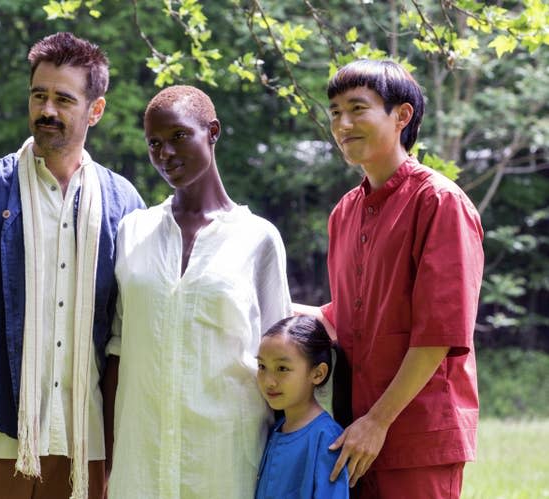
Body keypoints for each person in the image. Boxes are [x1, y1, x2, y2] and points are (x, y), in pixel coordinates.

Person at [0, 32, 144, 499]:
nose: (47, 110)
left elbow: (133, 327)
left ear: (95, 110)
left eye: (64, 99)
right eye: (39, 95)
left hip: (86, 445)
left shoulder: (124, 204)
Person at [103, 85, 292, 498]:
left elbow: (282, 358)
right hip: (141, 463)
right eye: (154, 143)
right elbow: (117, 352)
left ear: (213, 131)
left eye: (178, 136)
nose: (165, 153)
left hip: (226, 460)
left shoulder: (258, 239)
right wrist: (108, 458)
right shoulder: (132, 232)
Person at [312, 59, 484, 498]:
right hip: (352, 437)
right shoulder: (343, 213)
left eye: (357, 108)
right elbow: (346, 319)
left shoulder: (440, 203)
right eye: (334, 112)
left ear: (401, 116)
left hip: (415, 437)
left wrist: (378, 421)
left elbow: (438, 334)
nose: (343, 123)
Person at [255, 315, 350, 499]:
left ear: (318, 374)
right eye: (262, 366)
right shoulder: (275, 428)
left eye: (282, 368)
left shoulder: (327, 438)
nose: (268, 381)